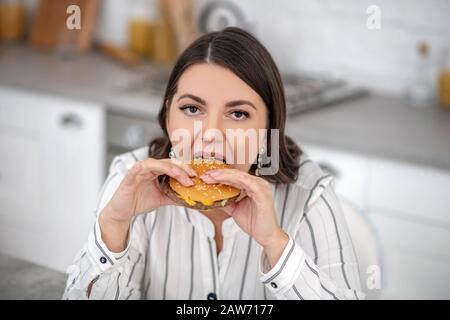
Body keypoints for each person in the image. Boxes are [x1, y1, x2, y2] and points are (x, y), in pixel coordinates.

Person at [63, 27, 364, 300]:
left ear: (269, 128)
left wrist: (275, 243)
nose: (210, 135)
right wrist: (114, 226)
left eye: (238, 114)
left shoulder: (309, 195)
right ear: (168, 116)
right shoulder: (131, 180)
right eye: (192, 109)